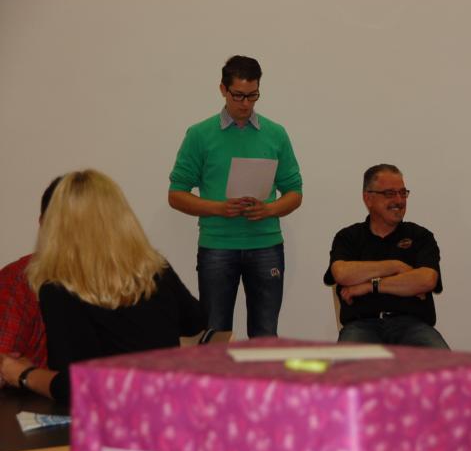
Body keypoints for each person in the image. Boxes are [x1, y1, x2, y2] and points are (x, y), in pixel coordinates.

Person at [0, 170, 205, 404]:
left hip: (116, 415)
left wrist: (23, 374)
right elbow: (196, 322)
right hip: (167, 405)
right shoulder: (155, 269)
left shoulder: (59, 288)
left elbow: (74, 387)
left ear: (55, 225)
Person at [169, 55, 302, 338]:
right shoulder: (199, 135)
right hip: (217, 245)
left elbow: (295, 193)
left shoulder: (276, 134)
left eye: (253, 95)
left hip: (266, 244)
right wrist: (219, 208)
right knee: (214, 333)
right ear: (223, 89)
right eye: (238, 95)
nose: (246, 104)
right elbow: (176, 195)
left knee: (265, 335)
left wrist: (269, 209)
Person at [323, 164, 449, 349]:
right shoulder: (348, 237)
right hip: (361, 326)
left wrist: (368, 286)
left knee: (444, 363)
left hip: (413, 325)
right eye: (390, 193)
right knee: (348, 366)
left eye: (403, 193)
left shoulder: (420, 236)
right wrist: (396, 266)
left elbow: (427, 280)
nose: (399, 200)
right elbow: (341, 273)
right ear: (368, 198)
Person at [0, 176, 61, 373]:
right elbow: (4, 362)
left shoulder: (123, 282)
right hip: (32, 392)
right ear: (43, 224)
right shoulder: (19, 280)